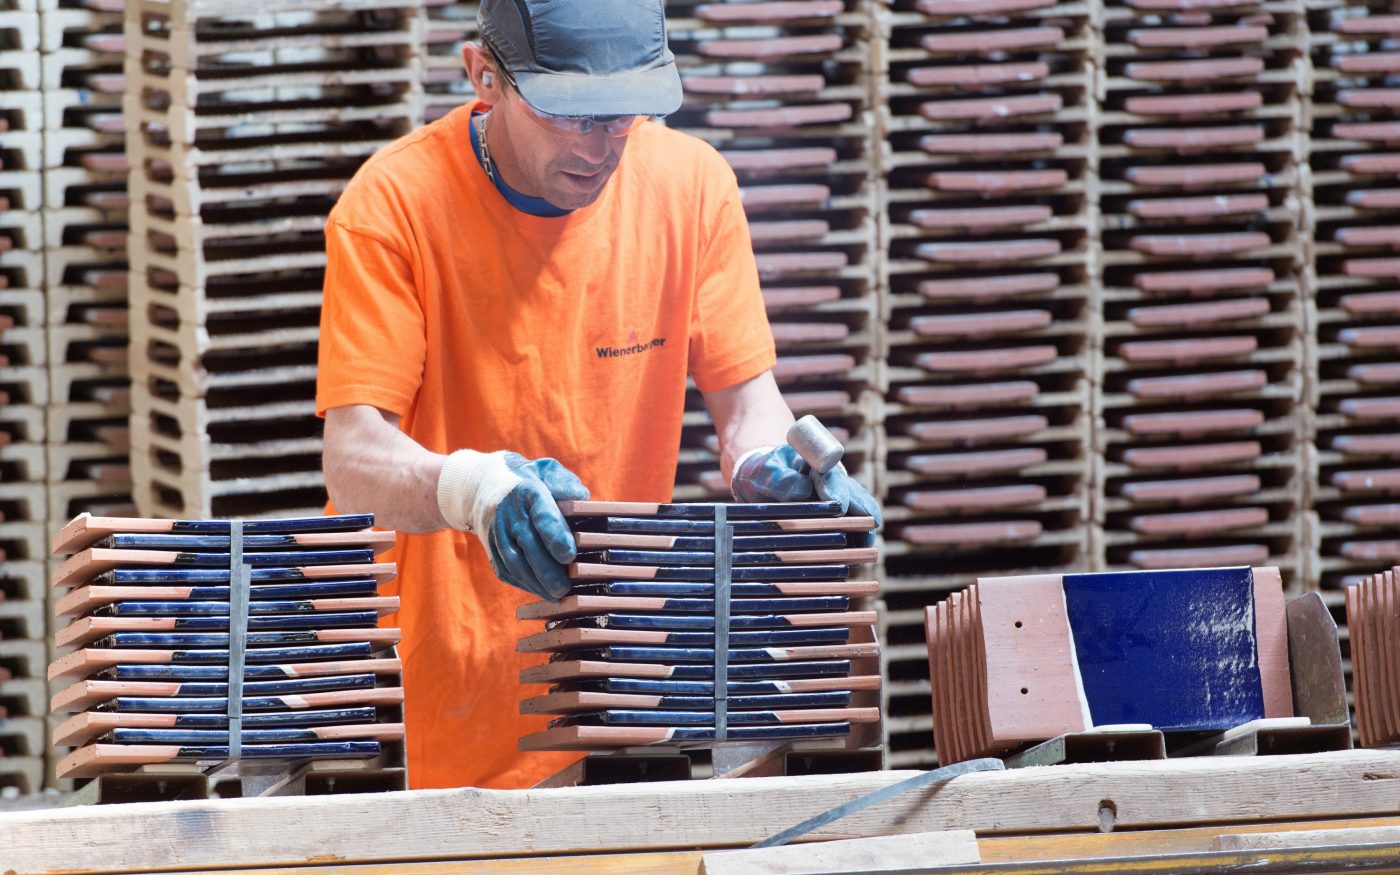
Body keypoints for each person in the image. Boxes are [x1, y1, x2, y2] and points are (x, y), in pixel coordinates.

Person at [315, 0, 881, 790]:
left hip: (633, 686)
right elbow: (352, 458)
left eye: (624, 116)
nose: (602, 146)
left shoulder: (691, 187)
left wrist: (766, 463)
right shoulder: (394, 209)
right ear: (484, 78)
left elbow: (750, 405)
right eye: (571, 116)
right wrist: (475, 489)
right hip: (466, 690)